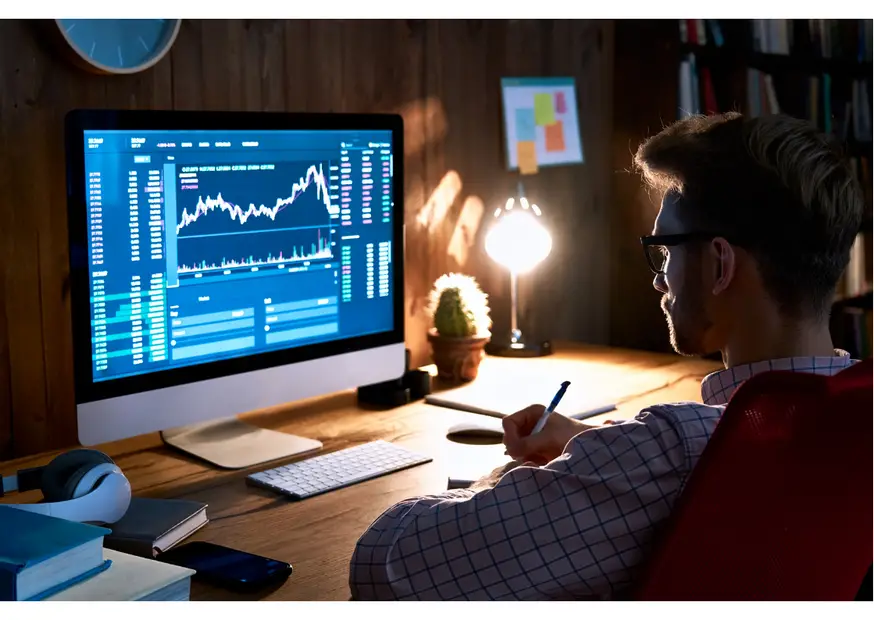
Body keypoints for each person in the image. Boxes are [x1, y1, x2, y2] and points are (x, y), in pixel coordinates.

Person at [348, 112, 864, 600]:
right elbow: (735, 454)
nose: (660, 279)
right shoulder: (850, 418)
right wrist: (596, 445)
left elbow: (386, 564)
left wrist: (512, 480)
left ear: (719, 264)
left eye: (666, 251)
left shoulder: (666, 452)